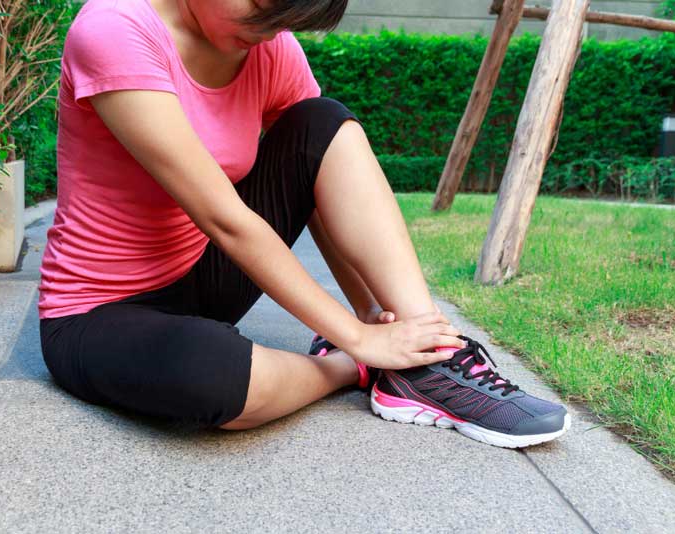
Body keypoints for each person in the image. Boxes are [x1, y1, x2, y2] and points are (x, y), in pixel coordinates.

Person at [38, 0, 570, 448]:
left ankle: (431, 362)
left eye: (281, 19)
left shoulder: (268, 46)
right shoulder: (115, 29)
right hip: (98, 313)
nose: (267, 32)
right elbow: (224, 219)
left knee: (323, 120)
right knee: (212, 376)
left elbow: (320, 173)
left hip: (205, 276)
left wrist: (376, 315)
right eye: (260, 9)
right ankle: (353, 370)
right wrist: (359, 343)